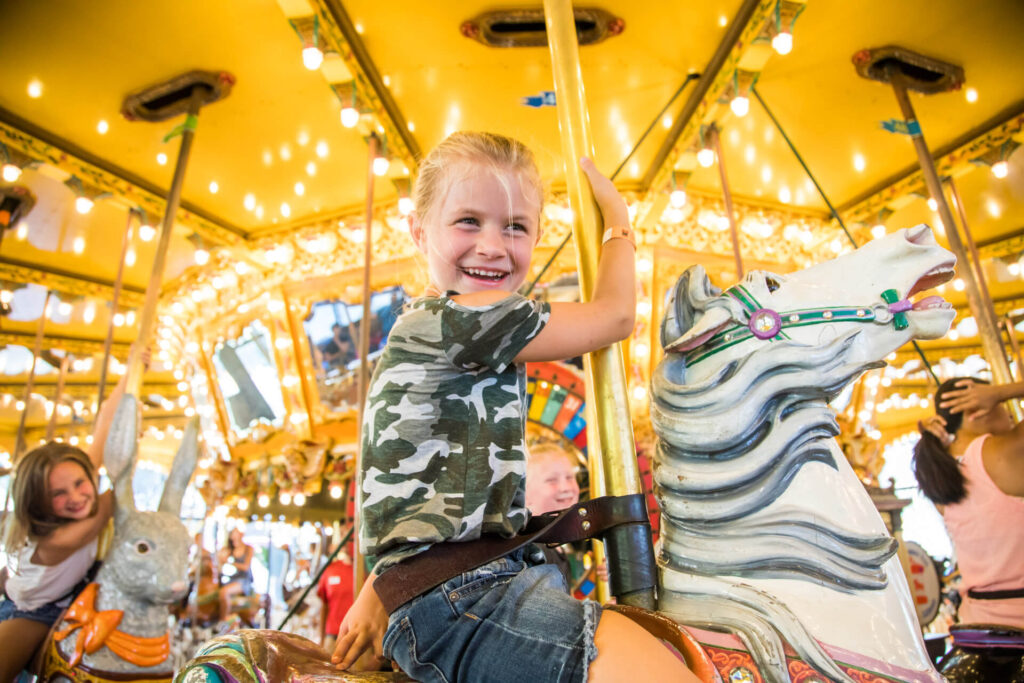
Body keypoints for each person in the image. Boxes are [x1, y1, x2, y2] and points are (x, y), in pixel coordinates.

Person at [332, 132, 696, 682]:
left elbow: (410, 487)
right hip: (463, 599)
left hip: (477, 582)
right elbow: (616, 316)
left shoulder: (433, 331)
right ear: (418, 230)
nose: (493, 246)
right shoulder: (463, 318)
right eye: (468, 221)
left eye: (515, 226)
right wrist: (618, 225)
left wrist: (383, 584)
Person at [0, 374, 132, 682]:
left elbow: (102, 427)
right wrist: (125, 460)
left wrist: (130, 374)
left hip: (64, 604)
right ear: (39, 502)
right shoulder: (58, 539)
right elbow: (114, 494)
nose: (75, 497)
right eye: (58, 494)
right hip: (32, 613)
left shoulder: (81, 503)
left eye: (79, 483)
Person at [913, 377, 1024, 629]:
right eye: (1001, 405)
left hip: (977, 623)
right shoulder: (1002, 453)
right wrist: (1005, 390)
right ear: (976, 410)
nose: (1009, 415)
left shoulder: (942, 474)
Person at [318, 548, 355, 654]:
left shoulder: (367, 572)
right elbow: (324, 606)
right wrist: (322, 639)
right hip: (332, 637)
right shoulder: (331, 570)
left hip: (359, 636)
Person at [217, 527, 254, 619]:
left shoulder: (248, 548)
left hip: (243, 580)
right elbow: (220, 561)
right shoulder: (230, 549)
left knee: (224, 592)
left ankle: (223, 619)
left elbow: (245, 567)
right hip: (232, 578)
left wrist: (229, 562)